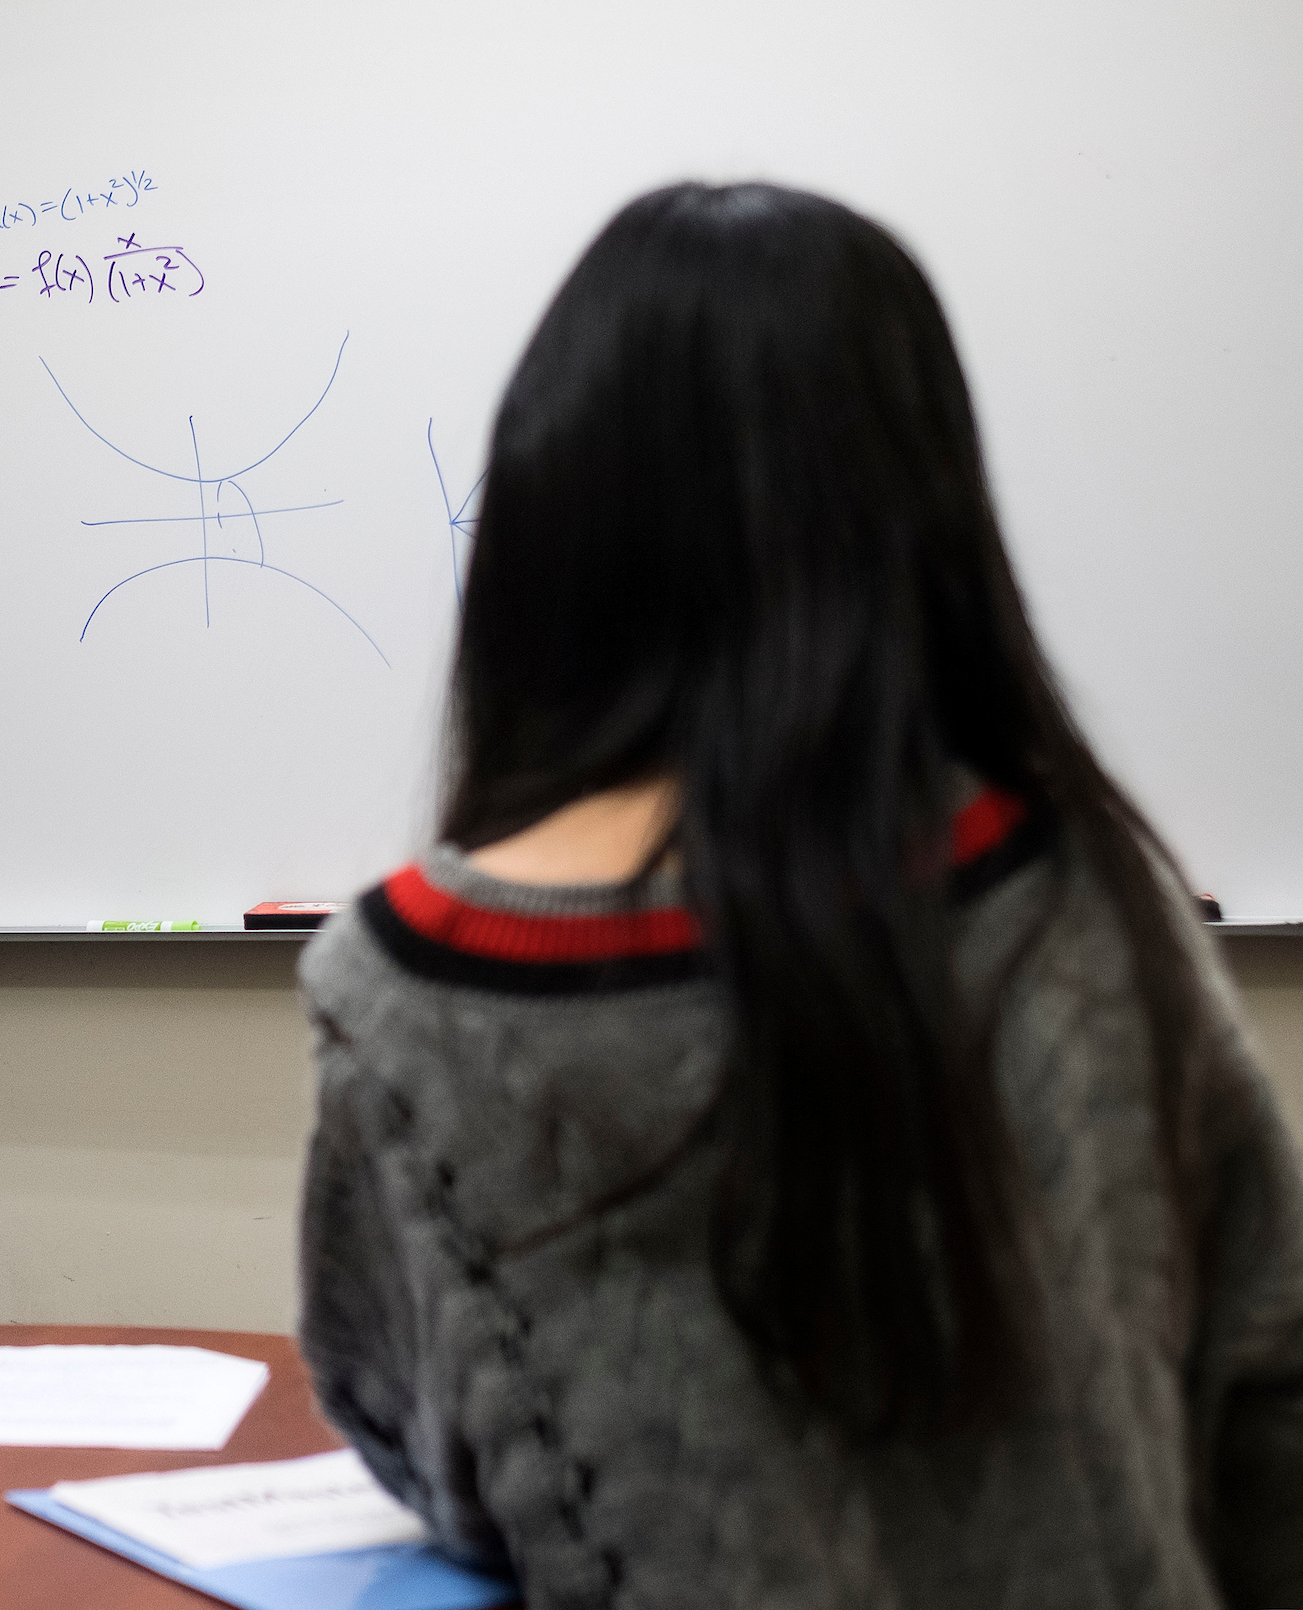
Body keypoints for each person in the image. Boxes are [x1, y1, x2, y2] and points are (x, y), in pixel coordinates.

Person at [296, 182, 1303, 1607]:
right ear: (926, 507)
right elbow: (1266, 1372)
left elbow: (439, 1453)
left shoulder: (408, 980)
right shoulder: (1076, 886)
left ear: (550, 505)